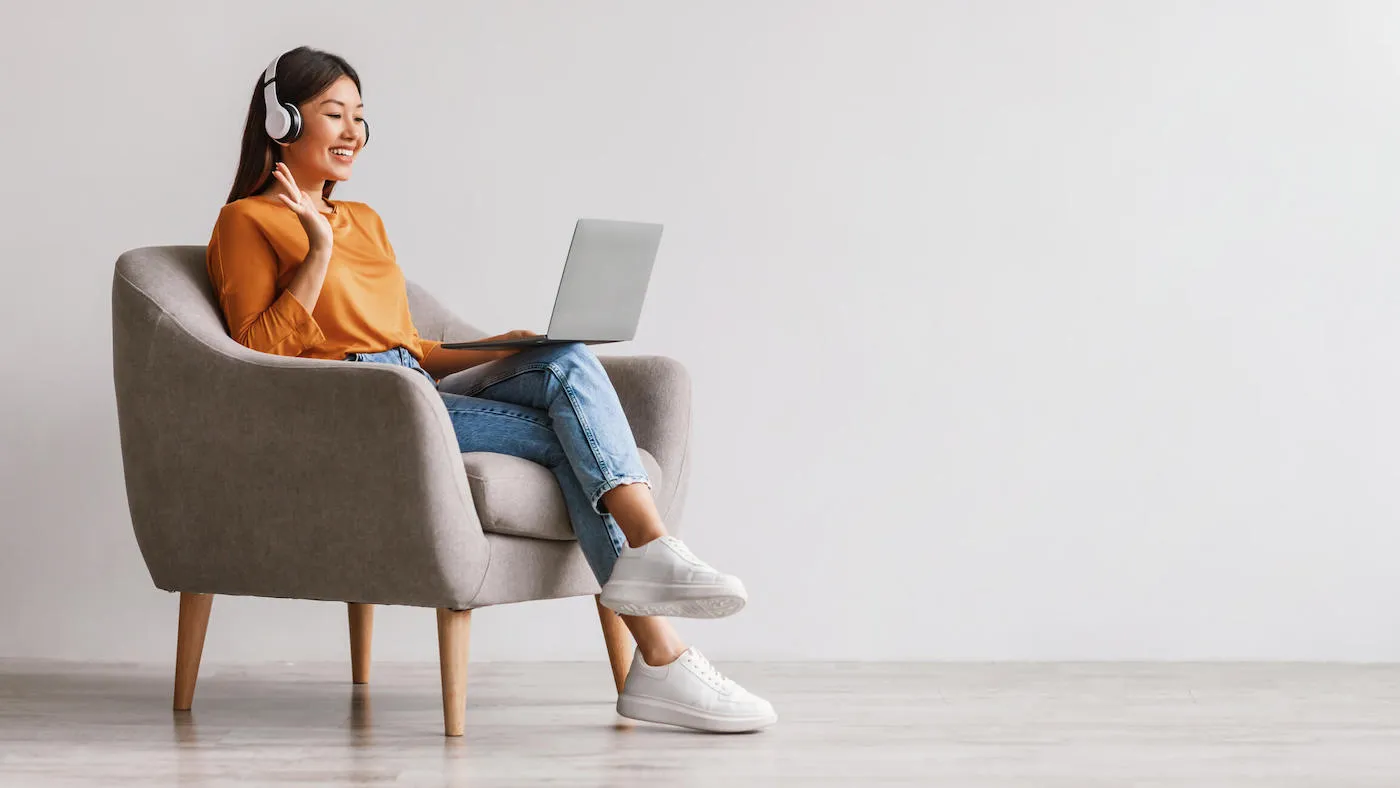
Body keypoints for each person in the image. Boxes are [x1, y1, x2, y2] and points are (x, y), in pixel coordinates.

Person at [205, 46, 776, 733]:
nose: (354, 131)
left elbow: (411, 349)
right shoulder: (246, 221)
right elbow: (257, 355)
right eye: (335, 114)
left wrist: (501, 347)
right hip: (362, 408)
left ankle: (657, 613)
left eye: (361, 116)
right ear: (282, 120)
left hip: (412, 386)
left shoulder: (368, 221)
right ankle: (660, 643)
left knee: (562, 358)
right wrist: (317, 252)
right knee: (573, 445)